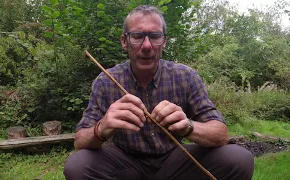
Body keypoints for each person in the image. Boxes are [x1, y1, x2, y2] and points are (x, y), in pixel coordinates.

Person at [64, 5, 254, 180]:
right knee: (77, 166)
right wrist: (101, 128)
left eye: (155, 36)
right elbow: (80, 141)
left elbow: (221, 134)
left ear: (164, 41)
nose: (147, 46)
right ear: (124, 41)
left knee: (238, 158)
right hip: (125, 163)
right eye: (138, 36)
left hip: (176, 160)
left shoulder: (185, 76)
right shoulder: (106, 82)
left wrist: (188, 126)